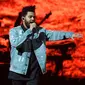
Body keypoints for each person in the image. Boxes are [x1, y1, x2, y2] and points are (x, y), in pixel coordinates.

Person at [8, 5, 82, 85]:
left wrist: (70, 35)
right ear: (23, 18)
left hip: (34, 74)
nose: (33, 19)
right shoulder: (14, 31)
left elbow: (55, 34)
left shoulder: (40, 31)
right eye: (30, 17)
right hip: (18, 72)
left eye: (34, 17)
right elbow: (15, 43)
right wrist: (29, 31)